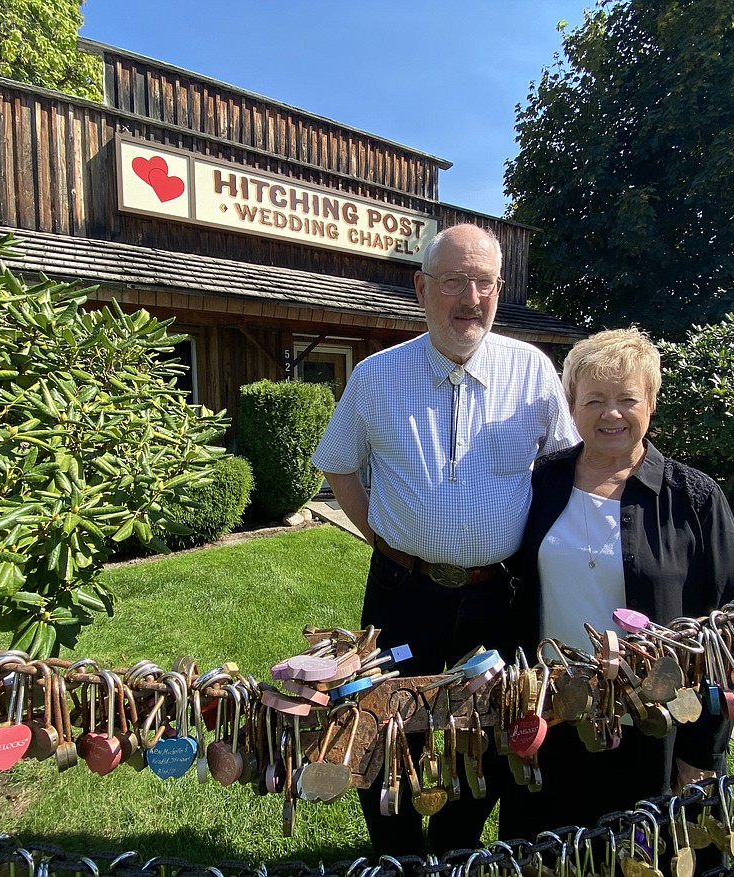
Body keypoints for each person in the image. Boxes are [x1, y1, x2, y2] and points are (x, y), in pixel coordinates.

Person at [311, 223, 579, 857]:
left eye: (483, 282)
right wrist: (382, 538)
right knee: (383, 728)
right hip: (403, 593)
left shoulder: (532, 371)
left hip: (499, 599)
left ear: (498, 289)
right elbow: (338, 461)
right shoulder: (377, 375)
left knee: (484, 733)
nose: (470, 296)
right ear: (422, 286)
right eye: (454, 280)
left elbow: (568, 465)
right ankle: (395, 856)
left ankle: (453, 850)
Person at [498, 327, 734, 842]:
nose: (611, 414)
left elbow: (730, 636)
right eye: (594, 400)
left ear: (651, 404)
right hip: (554, 717)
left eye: (626, 399)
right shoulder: (540, 482)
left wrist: (703, 752)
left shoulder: (696, 499)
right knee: (550, 854)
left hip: (654, 728)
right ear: (571, 408)